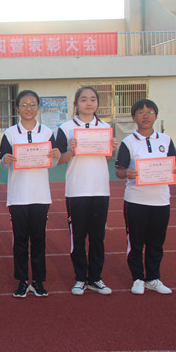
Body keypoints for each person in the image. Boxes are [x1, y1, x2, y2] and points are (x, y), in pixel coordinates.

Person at [115, 99, 176, 295]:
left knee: (156, 243)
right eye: (141, 112)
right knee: (135, 242)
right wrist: (127, 173)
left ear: (156, 116)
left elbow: (173, 166)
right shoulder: (128, 142)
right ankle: (137, 278)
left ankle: (153, 278)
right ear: (133, 117)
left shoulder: (166, 140)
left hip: (161, 200)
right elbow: (119, 171)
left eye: (150, 112)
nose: (146, 115)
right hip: (135, 200)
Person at [55, 87, 118, 296]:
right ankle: (81, 278)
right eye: (83, 100)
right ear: (76, 104)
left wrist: (111, 149)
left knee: (98, 237)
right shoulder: (65, 128)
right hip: (76, 190)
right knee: (78, 237)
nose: (88, 103)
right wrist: (70, 150)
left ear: (97, 103)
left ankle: (96, 278)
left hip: (100, 189)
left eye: (92, 99)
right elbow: (58, 160)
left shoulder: (105, 127)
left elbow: (106, 158)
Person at [0, 90, 61, 298]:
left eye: (32, 104)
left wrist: (56, 156)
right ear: (17, 108)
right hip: (18, 196)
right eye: (24, 104)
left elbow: (53, 163)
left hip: (40, 195)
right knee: (20, 240)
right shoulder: (10, 133)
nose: (28, 108)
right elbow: (2, 160)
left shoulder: (47, 132)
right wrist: (5, 159)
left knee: (38, 240)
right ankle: (22, 280)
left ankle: (38, 281)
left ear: (38, 107)